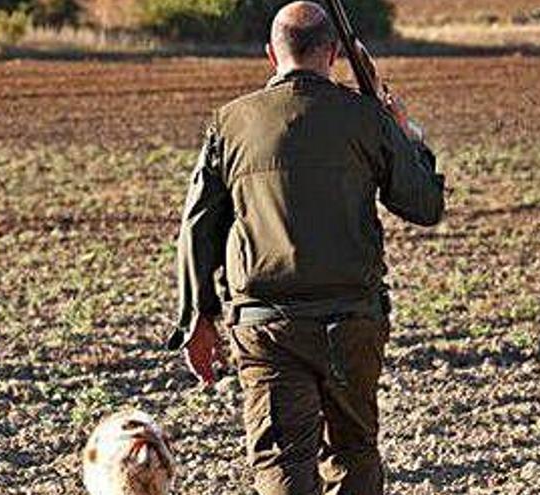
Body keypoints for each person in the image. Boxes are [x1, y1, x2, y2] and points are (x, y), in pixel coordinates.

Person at [167, 2, 446, 494]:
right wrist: (406, 133)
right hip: (352, 321)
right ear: (334, 53)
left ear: (270, 55)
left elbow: (198, 226)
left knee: (280, 463)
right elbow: (425, 204)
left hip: (265, 326)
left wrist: (198, 316)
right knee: (354, 453)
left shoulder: (230, 122)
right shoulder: (365, 117)